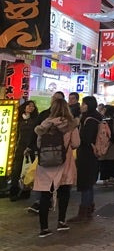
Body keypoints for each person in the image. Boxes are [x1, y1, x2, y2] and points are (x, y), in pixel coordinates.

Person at [34, 98, 80, 237]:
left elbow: (39, 144)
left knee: (45, 196)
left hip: (46, 164)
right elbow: (76, 143)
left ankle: (44, 228)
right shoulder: (71, 125)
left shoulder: (45, 124)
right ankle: (61, 221)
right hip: (64, 162)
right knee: (64, 193)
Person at [69, 96, 103, 222]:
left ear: (88, 105)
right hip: (92, 154)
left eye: (83, 104)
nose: (81, 106)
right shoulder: (97, 117)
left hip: (86, 153)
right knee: (89, 182)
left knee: (85, 182)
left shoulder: (89, 119)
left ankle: (84, 211)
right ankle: (88, 208)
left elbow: (86, 138)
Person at [9, 100, 39, 201]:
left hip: (30, 148)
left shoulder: (35, 120)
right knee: (16, 169)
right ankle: (13, 191)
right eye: (29, 106)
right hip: (19, 147)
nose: (31, 108)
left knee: (28, 170)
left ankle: (26, 191)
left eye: (33, 106)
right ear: (24, 107)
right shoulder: (17, 118)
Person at [98, 105, 114, 186]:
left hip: (103, 144)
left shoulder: (102, 120)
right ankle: (111, 178)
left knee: (104, 162)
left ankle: (104, 180)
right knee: (112, 162)